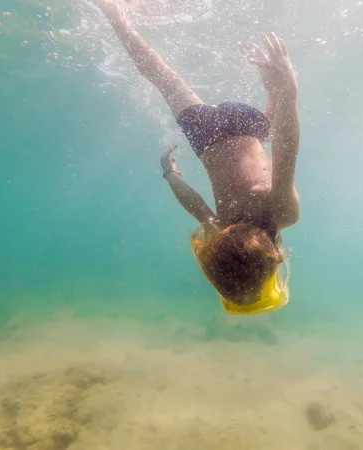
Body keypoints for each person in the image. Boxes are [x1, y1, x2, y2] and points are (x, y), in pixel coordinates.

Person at [94, 0, 300, 315]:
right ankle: (115, 16)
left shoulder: (282, 214)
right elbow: (196, 206)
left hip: (246, 128)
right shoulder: (219, 231)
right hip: (205, 135)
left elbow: (287, 149)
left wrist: (288, 91)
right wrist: (170, 176)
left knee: (269, 135)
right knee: (162, 77)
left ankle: (272, 95)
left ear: (275, 255)